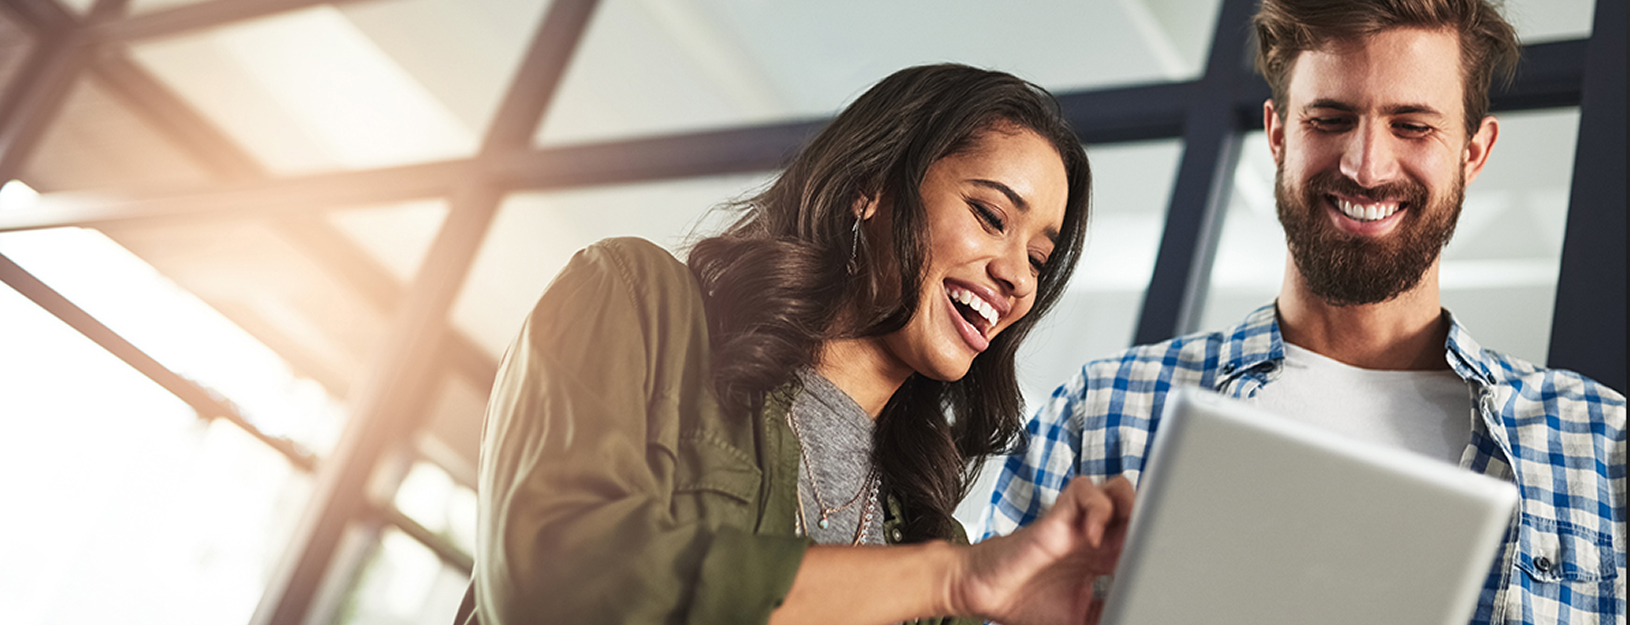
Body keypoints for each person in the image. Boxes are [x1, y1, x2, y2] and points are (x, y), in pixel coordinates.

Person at [982, 1, 1627, 624]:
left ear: (1473, 152)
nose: (1365, 166)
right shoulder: (1099, 415)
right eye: (1330, 118)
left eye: (1413, 125)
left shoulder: (1606, 448)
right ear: (1278, 135)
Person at [455, 63, 1138, 625]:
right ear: (871, 187)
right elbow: (550, 584)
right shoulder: (636, 299)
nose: (1017, 276)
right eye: (991, 216)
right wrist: (951, 579)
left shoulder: (931, 536)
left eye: (1040, 261)